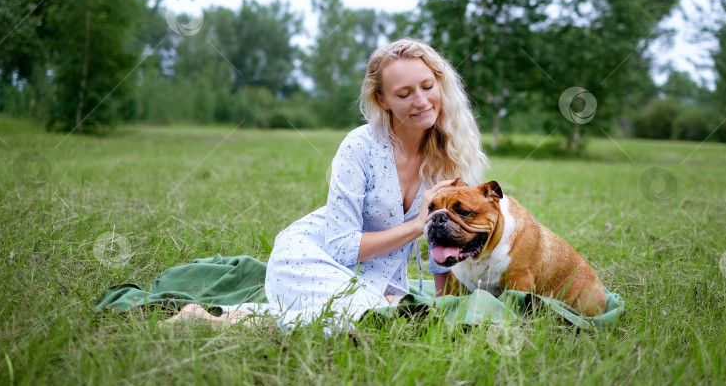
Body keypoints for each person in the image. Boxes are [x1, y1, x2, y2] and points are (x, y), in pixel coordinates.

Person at [166, 38, 488, 329]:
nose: (421, 101)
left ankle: (221, 318)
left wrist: (447, 306)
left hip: (377, 281)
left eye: (427, 86)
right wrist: (417, 225)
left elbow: (442, 242)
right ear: (383, 99)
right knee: (370, 317)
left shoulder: (447, 156)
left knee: (387, 316)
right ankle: (214, 324)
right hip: (309, 257)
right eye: (404, 94)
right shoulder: (359, 147)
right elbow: (341, 246)